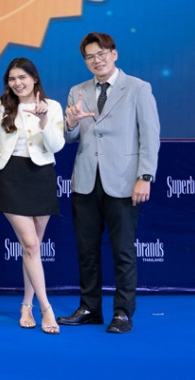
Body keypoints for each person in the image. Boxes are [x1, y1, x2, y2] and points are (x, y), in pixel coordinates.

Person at [59, 33, 160, 334]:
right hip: (86, 183)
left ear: (114, 54)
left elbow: (150, 136)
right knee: (86, 251)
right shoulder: (77, 91)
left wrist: (145, 176)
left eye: (101, 54)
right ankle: (90, 308)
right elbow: (68, 138)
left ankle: (123, 313)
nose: (97, 60)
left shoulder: (138, 88)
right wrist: (71, 122)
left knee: (123, 251)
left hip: (124, 182)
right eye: (90, 56)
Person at [0, 58, 65, 334]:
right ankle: (46, 308)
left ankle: (26, 304)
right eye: (12, 79)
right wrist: (0, 172)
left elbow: (57, 145)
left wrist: (44, 121)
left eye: (22, 77)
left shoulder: (52, 106)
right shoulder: (2, 106)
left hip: (41, 176)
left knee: (32, 248)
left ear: (34, 78)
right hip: (11, 177)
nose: (17, 83)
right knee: (31, 245)